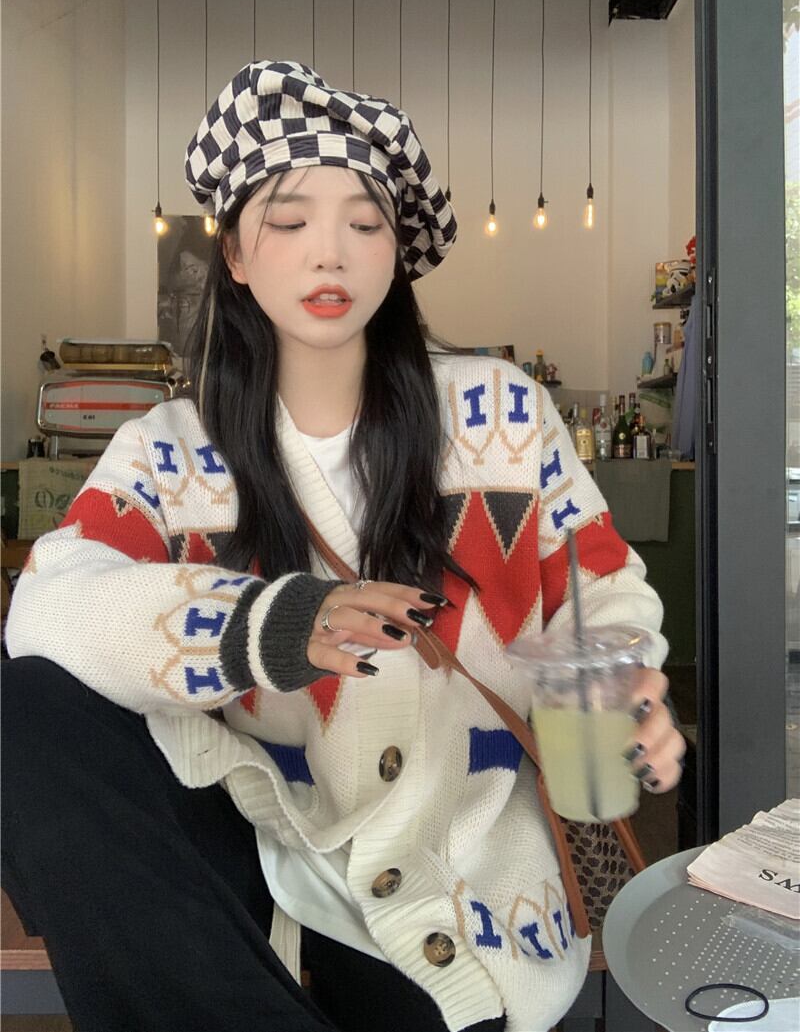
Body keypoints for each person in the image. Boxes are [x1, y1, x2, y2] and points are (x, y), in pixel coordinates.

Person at [2, 60, 685, 1032]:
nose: (329, 253)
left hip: (451, 866)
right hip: (256, 838)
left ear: (396, 253)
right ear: (235, 253)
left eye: (363, 224)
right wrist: (265, 623)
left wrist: (628, 689)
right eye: (289, 221)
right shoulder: (168, 450)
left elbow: (600, 590)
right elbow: (47, 603)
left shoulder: (501, 416)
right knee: (24, 707)